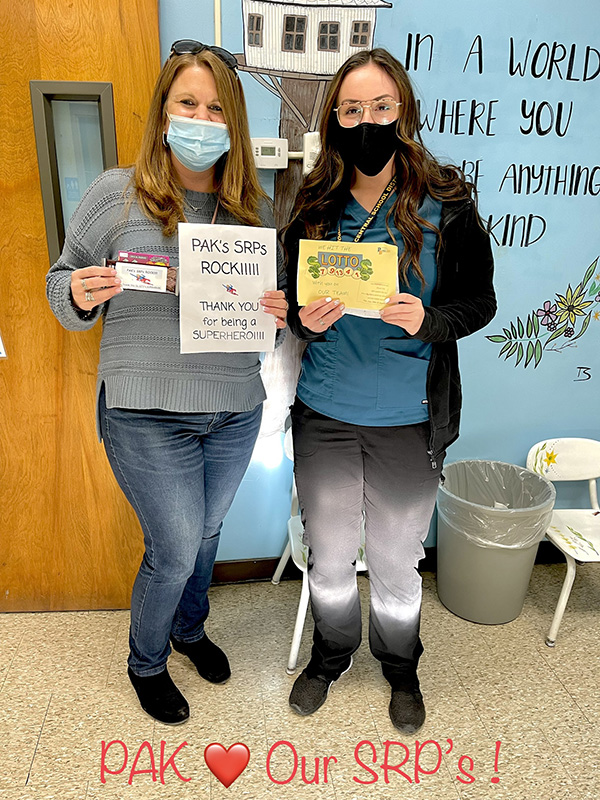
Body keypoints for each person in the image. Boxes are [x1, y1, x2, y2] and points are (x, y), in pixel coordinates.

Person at [46, 40, 287, 725]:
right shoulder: (113, 193)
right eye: (187, 103)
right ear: (163, 112)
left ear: (233, 124)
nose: (201, 119)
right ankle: (146, 659)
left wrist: (272, 317)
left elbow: (260, 329)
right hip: (144, 412)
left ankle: (188, 629)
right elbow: (60, 283)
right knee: (177, 547)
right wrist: (81, 294)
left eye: (216, 108)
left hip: (235, 408)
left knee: (207, 536)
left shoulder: (255, 211)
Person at [283, 48, 496, 733]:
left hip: (410, 420)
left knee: (398, 562)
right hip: (326, 415)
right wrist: (297, 316)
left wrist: (431, 320)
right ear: (335, 118)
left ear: (402, 107)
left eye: (380, 106)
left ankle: (400, 666)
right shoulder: (314, 200)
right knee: (332, 558)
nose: (367, 120)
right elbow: (293, 299)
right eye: (351, 110)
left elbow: (480, 302)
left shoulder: (449, 199)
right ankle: (332, 653)